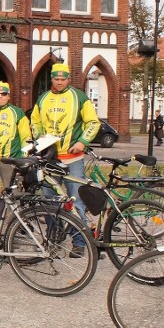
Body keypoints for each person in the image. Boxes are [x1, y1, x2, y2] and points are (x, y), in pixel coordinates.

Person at [30, 63, 100, 258]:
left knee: (76, 202)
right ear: (52, 79)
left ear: (68, 79)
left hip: (73, 159)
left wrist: (82, 142)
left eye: (63, 79)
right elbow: (34, 121)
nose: (59, 82)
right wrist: (40, 138)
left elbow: (93, 122)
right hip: (49, 160)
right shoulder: (43, 98)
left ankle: (79, 242)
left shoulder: (79, 97)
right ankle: (53, 239)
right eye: (56, 79)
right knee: (49, 202)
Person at [0, 81, 32, 194]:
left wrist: (23, 160)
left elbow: (26, 137)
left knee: (13, 196)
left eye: (3, 93)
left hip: (10, 161)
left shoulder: (18, 113)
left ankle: (13, 213)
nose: (0, 96)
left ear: (9, 96)